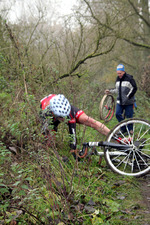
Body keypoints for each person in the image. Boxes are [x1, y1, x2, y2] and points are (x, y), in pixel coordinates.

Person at [40, 94, 110, 156]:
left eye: (65, 117)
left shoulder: (67, 109)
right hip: (50, 114)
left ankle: (114, 136)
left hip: (61, 107)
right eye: (62, 117)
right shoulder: (45, 114)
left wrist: (73, 148)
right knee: (49, 141)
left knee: (89, 120)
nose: (64, 119)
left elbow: (72, 130)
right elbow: (43, 133)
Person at [105, 64, 137, 133]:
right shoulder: (117, 79)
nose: (119, 75)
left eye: (120, 73)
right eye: (118, 73)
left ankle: (130, 130)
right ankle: (123, 128)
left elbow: (134, 88)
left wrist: (128, 97)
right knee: (117, 114)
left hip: (128, 102)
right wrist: (110, 91)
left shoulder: (129, 78)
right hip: (120, 102)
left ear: (123, 71)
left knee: (129, 116)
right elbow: (117, 90)